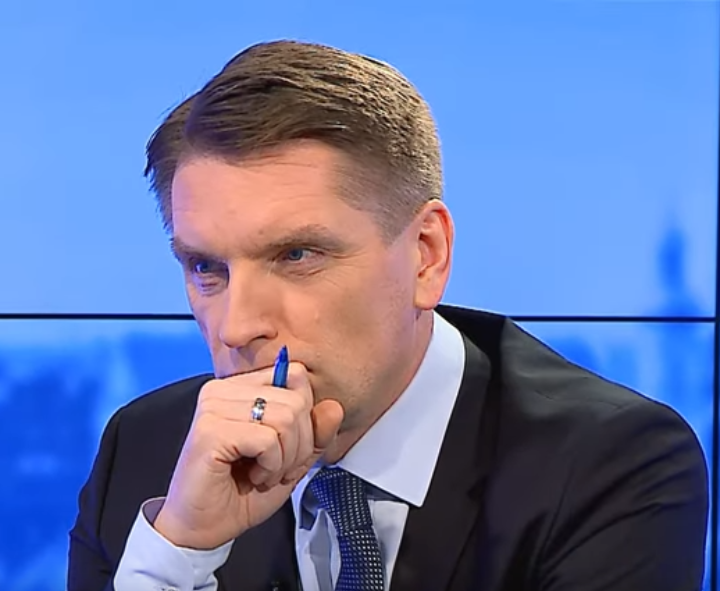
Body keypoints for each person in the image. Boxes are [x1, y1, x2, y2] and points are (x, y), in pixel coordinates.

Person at [66, 40, 708, 591]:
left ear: (426, 256)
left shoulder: (609, 463)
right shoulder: (147, 457)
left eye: (296, 255)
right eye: (207, 268)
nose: (236, 328)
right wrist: (180, 554)